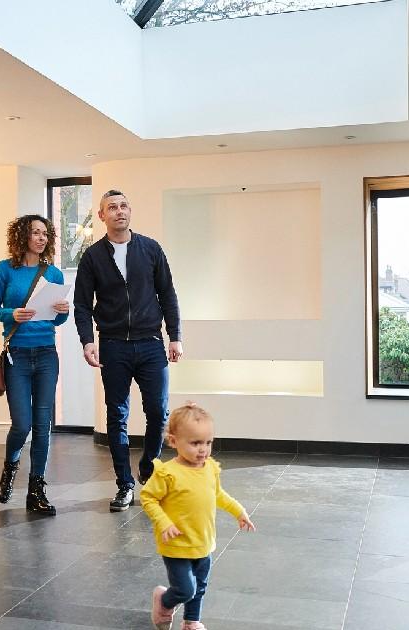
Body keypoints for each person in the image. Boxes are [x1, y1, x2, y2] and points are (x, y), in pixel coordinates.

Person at [74, 189, 183, 512]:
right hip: (113, 346)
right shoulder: (93, 257)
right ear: (102, 216)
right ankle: (124, 484)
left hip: (150, 343)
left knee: (158, 412)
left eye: (123, 206)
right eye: (112, 207)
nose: (119, 211)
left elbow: (168, 294)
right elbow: (82, 304)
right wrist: (87, 340)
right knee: (117, 416)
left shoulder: (150, 249)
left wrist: (174, 336)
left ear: (130, 211)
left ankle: (149, 468)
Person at [141, 403, 255, 630]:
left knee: (199, 587)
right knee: (185, 589)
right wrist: (164, 522)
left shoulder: (209, 467)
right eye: (195, 443)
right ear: (173, 441)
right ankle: (164, 601)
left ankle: (191, 622)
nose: (203, 449)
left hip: (203, 541)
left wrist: (238, 511)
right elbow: (148, 498)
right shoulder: (167, 472)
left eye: (208, 442)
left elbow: (218, 494)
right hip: (176, 544)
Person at [0, 215, 70, 515]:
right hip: (17, 355)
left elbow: (58, 319)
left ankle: (36, 489)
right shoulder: (4, 269)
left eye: (45, 234)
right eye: (35, 233)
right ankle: (10, 469)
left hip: (46, 353)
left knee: (42, 425)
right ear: (22, 236)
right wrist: (13, 314)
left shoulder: (54, 273)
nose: (41, 238)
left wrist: (63, 311)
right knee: (22, 424)